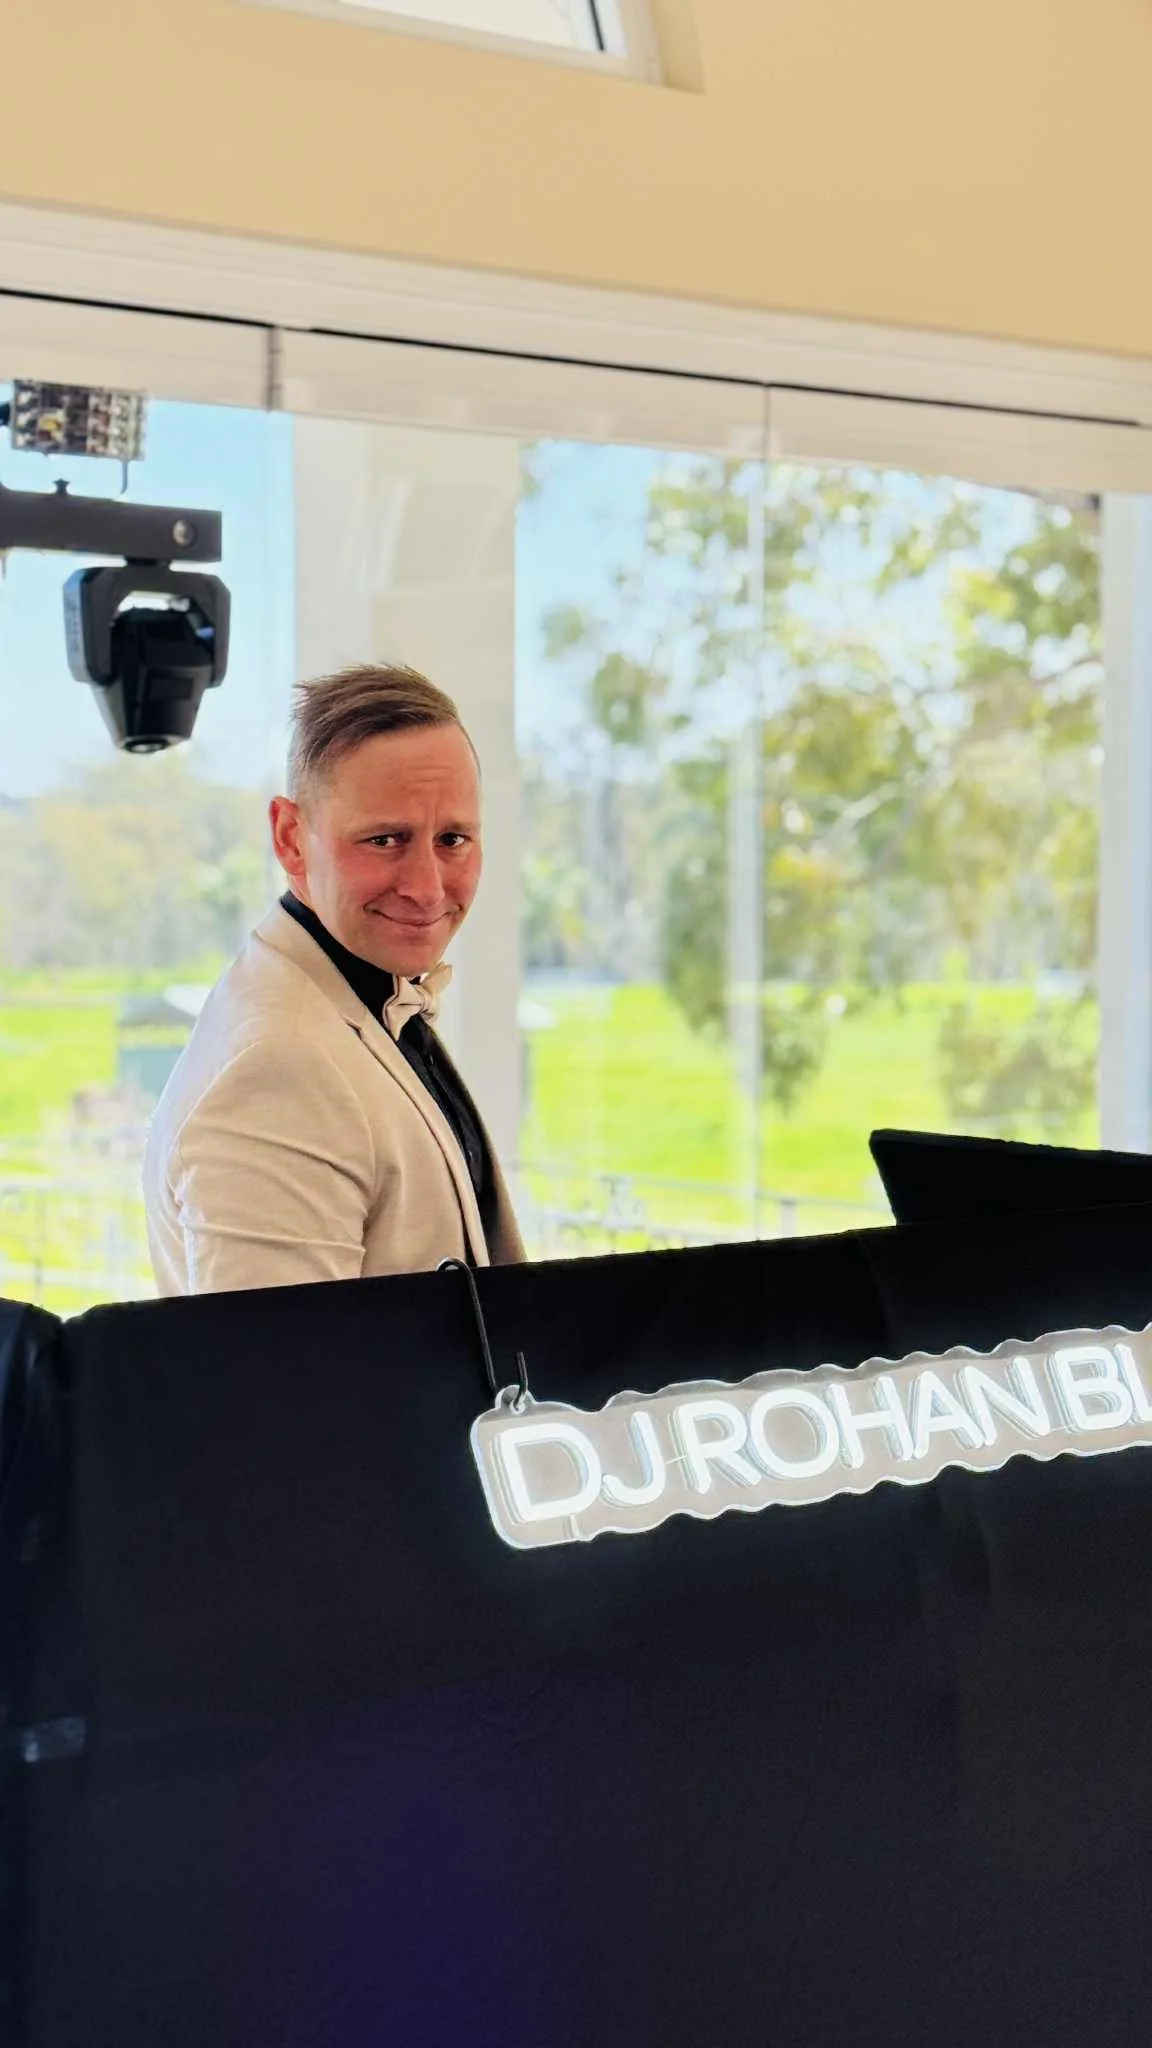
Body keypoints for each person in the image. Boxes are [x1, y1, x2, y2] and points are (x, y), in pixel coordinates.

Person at [143, 662, 525, 1293]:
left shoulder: (354, 990)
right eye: (384, 840)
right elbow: (275, 1382)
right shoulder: (277, 1065)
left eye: (453, 838)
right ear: (292, 838)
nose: (428, 888)